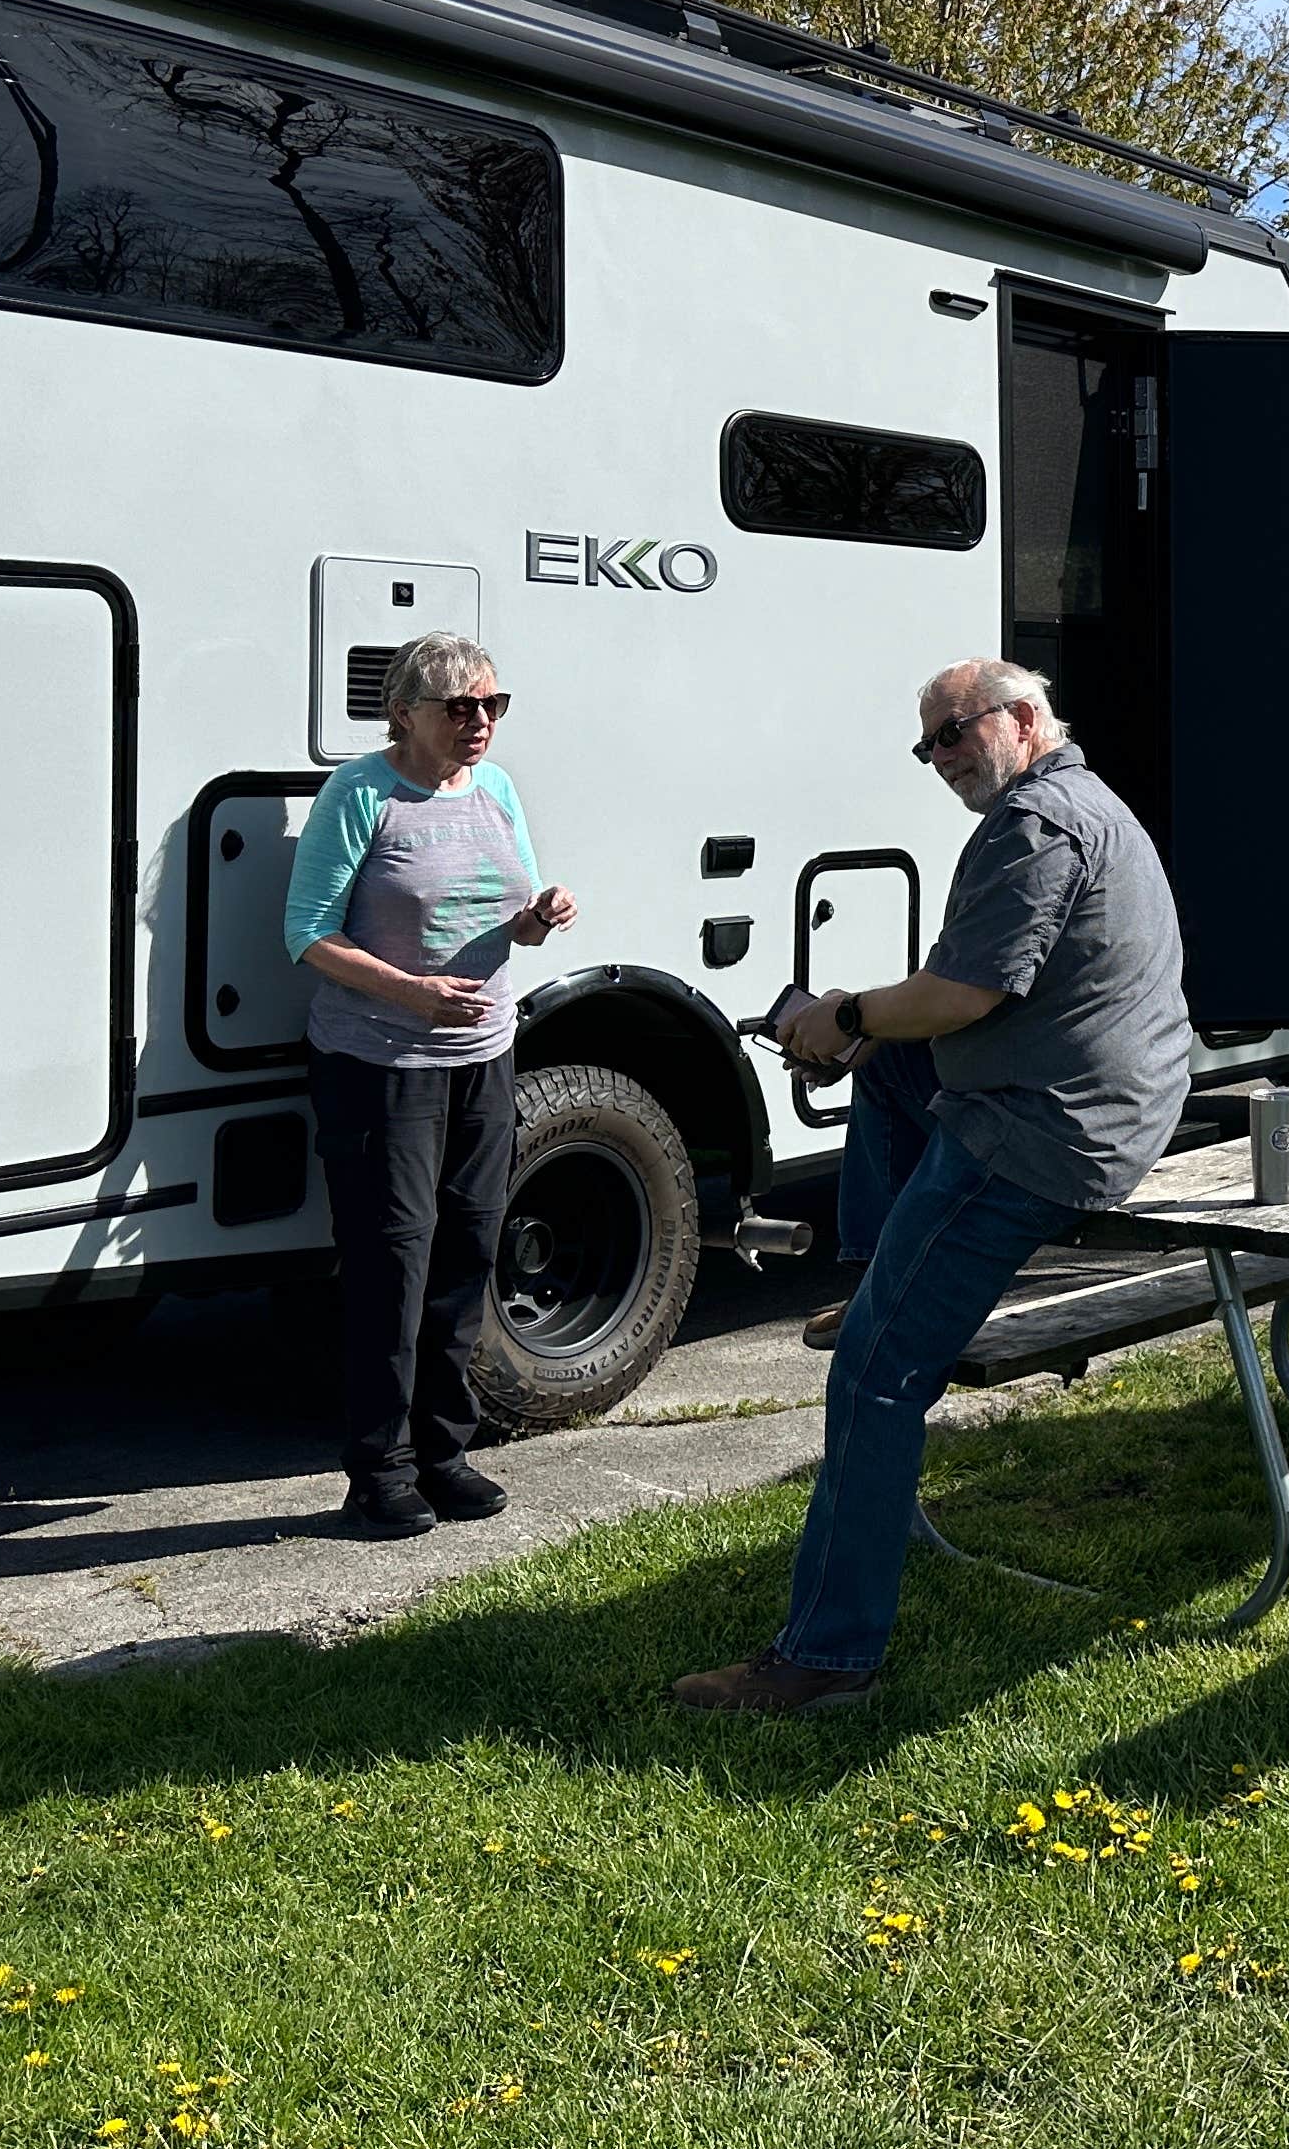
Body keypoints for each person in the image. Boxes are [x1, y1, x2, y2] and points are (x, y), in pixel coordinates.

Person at [674, 657, 1194, 1717]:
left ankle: (826, 1658)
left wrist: (847, 1016)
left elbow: (961, 994)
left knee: (873, 1374)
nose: (940, 759)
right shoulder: (1081, 802)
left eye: (954, 734)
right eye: (927, 746)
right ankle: (881, 1278)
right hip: (1102, 1104)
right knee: (889, 1069)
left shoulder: (1034, 826)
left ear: (1022, 719)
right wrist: (862, 1033)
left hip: (1045, 1134)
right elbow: (957, 1010)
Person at [284, 631, 578, 1539]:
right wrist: (408, 990)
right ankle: (379, 1469)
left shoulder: (493, 790)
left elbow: (510, 920)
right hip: (379, 1066)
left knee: (468, 1254)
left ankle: (445, 1454)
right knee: (392, 1264)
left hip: (484, 1056)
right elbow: (307, 933)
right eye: (460, 708)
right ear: (404, 712)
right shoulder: (362, 793)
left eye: (493, 705)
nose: (481, 722)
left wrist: (537, 918)